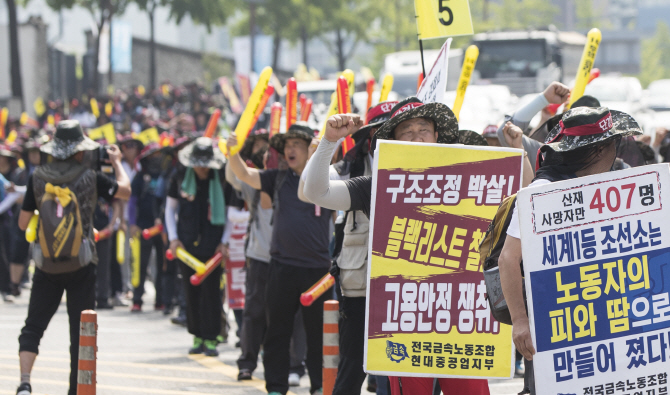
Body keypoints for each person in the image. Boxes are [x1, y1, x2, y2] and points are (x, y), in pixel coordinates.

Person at [302, 98, 494, 395]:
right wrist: (328, 141)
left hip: (459, 318)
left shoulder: (470, 180)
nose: (417, 137)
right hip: (405, 322)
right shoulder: (379, 184)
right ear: (392, 141)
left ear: (437, 136)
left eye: (424, 129)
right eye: (407, 131)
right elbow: (316, 191)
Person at [497, 107, 642, 395]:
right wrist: (521, 322)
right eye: (611, 143)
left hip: (605, 318)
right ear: (596, 151)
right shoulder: (541, 191)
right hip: (553, 326)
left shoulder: (608, 185)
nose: (616, 150)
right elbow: (508, 259)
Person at [15, 120, 130, 395]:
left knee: (32, 327)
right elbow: (124, 191)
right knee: (79, 334)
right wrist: (116, 162)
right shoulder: (90, 176)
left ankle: (24, 382)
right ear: (81, 151)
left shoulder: (37, 176)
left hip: (46, 264)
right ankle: (76, 390)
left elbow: (22, 223)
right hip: (82, 262)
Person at [227, 122, 333, 395]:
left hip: (318, 270)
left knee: (317, 334)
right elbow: (244, 174)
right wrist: (232, 152)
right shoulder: (277, 178)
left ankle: (319, 386)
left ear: (310, 150)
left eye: (297, 144)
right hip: (282, 266)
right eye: (287, 145)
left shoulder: (326, 179)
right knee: (277, 332)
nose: (290, 149)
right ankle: (276, 386)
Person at [299, 101, 397, 395]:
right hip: (360, 284)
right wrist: (329, 142)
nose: (385, 137)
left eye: (391, 131)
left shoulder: (425, 173)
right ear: (369, 137)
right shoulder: (352, 171)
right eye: (378, 132)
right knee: (352, 365)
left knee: (399, 372)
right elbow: (309, 188)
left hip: (406, 287)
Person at [165, 137, 231, 357]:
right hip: (186, 245)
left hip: (213, 247)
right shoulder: (180, 177)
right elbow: (170, 209)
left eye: (205, 163)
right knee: (191, 293)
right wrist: (173, 238)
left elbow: (230, 213)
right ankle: (197, 336)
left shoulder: (221, 178)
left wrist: (225, 241)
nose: (202, 168)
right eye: (198, 163)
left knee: (212, 293)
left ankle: (211, 338)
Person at [128, 142, 167, 312]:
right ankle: (137, 300)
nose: (156, 158)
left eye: (158, 155)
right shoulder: (139, 176)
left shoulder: (166, 175)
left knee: (162, 265)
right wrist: (132, 223)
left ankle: (161, 300)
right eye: (153, 155)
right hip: (143, 227)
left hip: (162, 228)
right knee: (141, 265)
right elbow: (132, 201)